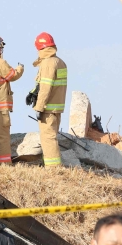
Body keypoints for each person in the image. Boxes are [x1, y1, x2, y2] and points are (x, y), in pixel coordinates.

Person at [30, 32, 68, 168]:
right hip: (57, 107)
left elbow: (46, 88)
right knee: (52, 137)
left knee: (48, 138)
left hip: (47, 108)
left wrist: (39, 107)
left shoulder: (48, 63)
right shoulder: (60, 62)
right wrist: (33, 92)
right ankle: (52, 165)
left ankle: (53, 168)